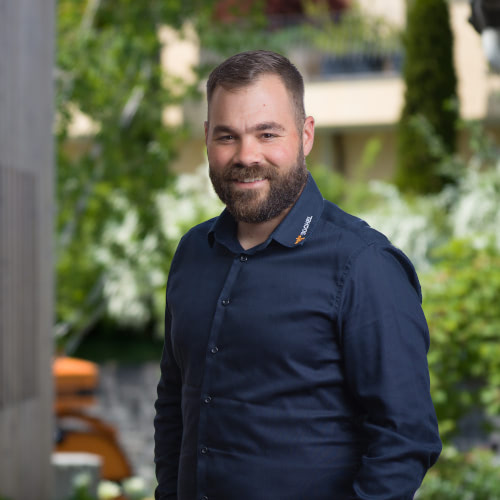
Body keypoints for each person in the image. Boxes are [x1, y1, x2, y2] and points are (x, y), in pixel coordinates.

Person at [154, 50, 441, 500]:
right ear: (207, 138)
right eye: (227, 136)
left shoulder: (364, 265)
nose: (247, 155)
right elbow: (174, 403)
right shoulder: (193, 253)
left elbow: (404, 439)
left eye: (267, 134)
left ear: (306, 135)